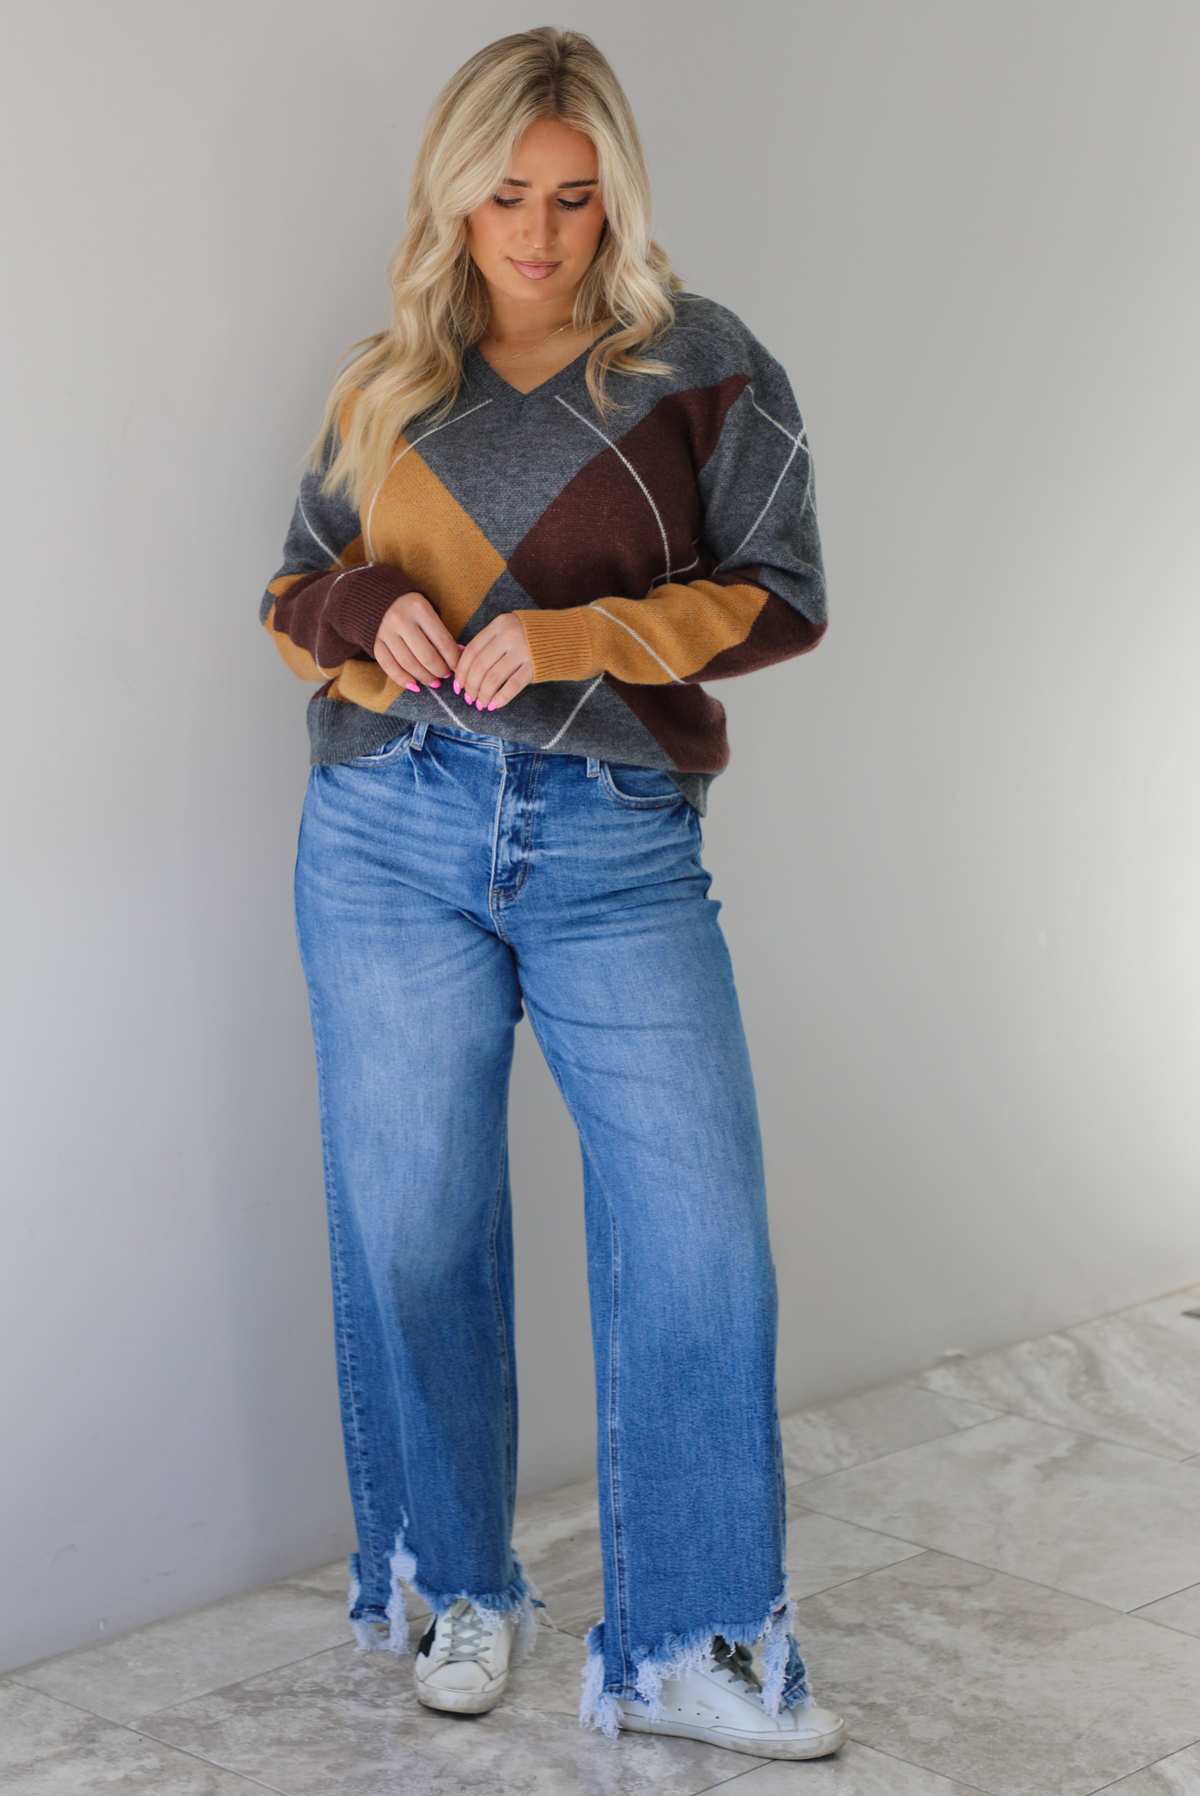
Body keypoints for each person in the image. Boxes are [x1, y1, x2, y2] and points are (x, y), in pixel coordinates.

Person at [261, 26, 844, 1764]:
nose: (542, 233)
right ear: (455, 193)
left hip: (611, 839)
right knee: (415, 1224)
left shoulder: (703, 367)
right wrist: (366, 614)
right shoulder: (384, 383)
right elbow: (294, 588)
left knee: (698, 1233)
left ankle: (698, 1640)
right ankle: (456, 1579)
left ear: (618, 195)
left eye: (576, 198)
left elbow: (787, 592)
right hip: (384, 828)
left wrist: (580, 638)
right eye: (508, 196)